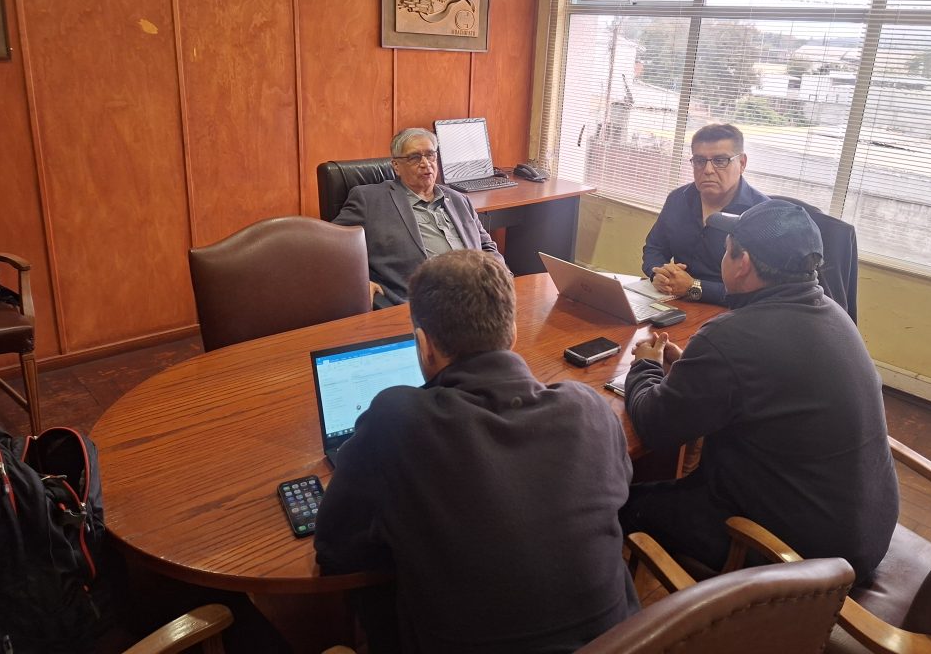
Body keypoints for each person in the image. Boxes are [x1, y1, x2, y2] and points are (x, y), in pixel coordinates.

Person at [314, 250, 638, 653]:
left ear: (424, 345)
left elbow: (334, 548)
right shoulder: (589, 408)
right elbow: (619, 489)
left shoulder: (396, 421)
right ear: (512, 333)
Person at [620, 199, 898, 584]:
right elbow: (764, 387)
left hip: (799, 556)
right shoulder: (834, 314)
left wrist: (646, 364)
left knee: (617, 502)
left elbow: (654, 425)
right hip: (861, 531)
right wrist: (695, 371)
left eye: (726, 249)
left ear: (743, 263)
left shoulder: (731, 336)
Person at [333, 128, 502, 306]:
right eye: (414, 157)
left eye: (430, 155)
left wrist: (501, 280)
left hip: (477, 297)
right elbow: (332, 249)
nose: (425, 163)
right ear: (396, 166)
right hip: (420, 305)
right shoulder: (369, 199)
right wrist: (359, 282)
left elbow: (486, 246)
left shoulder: (459, 200)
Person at [642, 123, 767, 306]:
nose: (708, 170)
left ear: (742, 163)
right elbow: (655, 248)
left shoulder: (763, 214)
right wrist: (659, 275)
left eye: (720, 160)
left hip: (729, 311)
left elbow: (761, 293)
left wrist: (694, 287)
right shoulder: (678, 199)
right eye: (700, 161)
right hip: (672, 300)